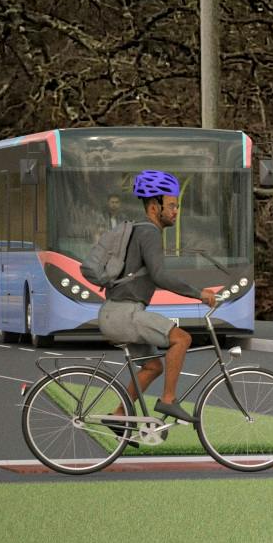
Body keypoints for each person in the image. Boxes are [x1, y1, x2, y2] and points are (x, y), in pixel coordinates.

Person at [84, 170, 188, 415]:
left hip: (117, 312)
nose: (175, 211)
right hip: (125, 313)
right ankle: (168, 400)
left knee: (152, 366)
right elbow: (160, 275)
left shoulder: (140, 230)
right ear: (154, 206)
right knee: (182, 339)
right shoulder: (149, 232)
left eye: (177, 205)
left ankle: (120, 414)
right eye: (172, 205)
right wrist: (199, 294)